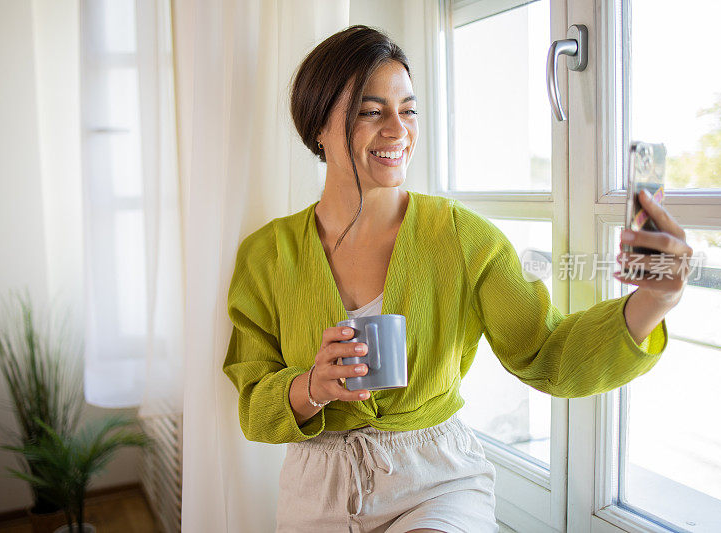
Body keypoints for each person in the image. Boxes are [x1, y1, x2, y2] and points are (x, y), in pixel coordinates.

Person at [222, 25, 691, 533]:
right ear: (318, 124)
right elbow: (253, 404)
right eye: (371, 111)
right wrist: (312, 386)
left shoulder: (464, 239)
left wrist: (655, 300)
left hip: (433, 480)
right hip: (318, 490)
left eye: (409, 109)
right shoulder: (267, 255)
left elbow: (546, 352)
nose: (398, 130)